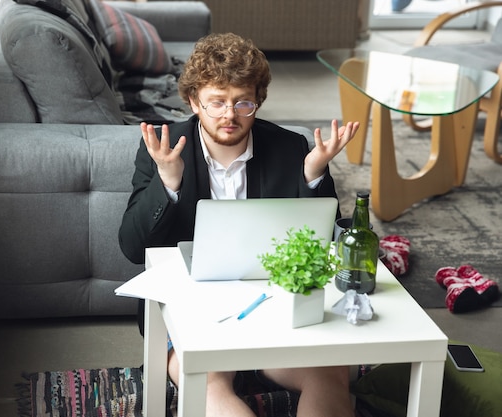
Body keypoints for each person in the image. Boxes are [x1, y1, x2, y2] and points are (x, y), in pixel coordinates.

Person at [119, 32, 359, 417]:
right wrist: (168, 181)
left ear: (258, 100)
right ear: (194, 101)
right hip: (191, 308)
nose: (229, 115)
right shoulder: (164, 149)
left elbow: (320, 244)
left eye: (242, 102)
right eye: (216, 103)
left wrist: (313, 175)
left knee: (330, 374)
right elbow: (132, 248)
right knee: (209, 383)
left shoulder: (291, 147)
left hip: (274, 302)